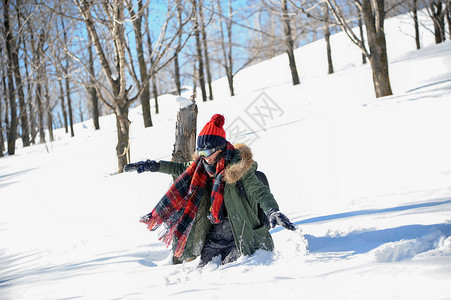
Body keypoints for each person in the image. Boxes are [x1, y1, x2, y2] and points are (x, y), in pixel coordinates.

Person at [124, 114, 296, 267]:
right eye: (201, 152)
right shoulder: (201, 167)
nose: (204, 157)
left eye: (207, 152)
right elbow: (179, 169)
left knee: (231, 275)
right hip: (215, 237)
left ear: (219, 150)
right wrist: (152, 166)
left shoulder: (240, 169)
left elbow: (259, 191)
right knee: (204, 274)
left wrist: (273, 210)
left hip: (240, 236)